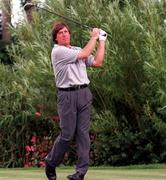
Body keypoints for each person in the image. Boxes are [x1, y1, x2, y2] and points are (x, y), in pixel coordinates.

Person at [45, 21, 107, 180]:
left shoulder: (77, 50)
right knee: (67, 135)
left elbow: (98, 62)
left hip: (84, 94)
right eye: (60, 33)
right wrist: (94, 36)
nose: (64, 34)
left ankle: (80, 173)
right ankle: (51, 163)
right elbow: (86, 54)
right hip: (67, 96)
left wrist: (102, 41)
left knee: (83, 135)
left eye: (66, 31)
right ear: (56, 39)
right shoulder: (58, 52)